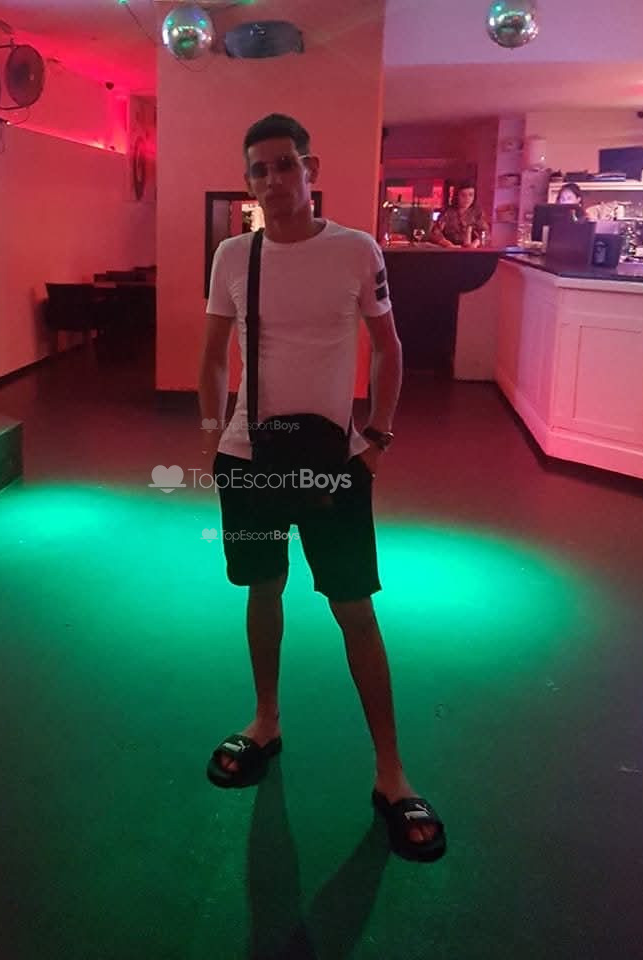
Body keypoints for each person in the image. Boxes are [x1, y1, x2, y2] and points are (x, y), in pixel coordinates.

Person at [197, 113, 446, 862]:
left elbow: (389, 349)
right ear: (249, 181)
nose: (273, 181)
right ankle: (265, 720)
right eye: (259, 170)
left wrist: (378, 438)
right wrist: (213, 436)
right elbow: (211, 354)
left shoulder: (356, 249)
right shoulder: (234, 255)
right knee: (262, 587)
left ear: (310, 169)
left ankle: (391, 773)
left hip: (332, 460)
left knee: (353, 609)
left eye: (285, 165)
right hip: (250, 458)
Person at [430, 179, 489, 248]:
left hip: (472, 249)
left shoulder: (477, 213)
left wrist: (475, 244)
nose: (467, 198)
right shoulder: (447, 212)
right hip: (450, 248)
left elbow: (485, 233)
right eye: (463, 195)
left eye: (471, 195)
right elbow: (435, 233)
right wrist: (447, 244)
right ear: (457, 196)